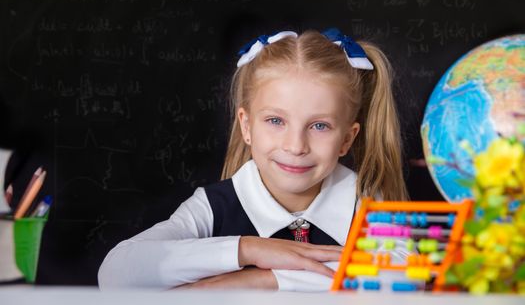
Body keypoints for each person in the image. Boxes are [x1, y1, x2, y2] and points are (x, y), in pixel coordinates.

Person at [97, 28, 409, 291]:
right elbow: (115, 274)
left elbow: (405, 274)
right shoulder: (213, 207)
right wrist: (249, 249)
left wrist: (262, 279)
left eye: (319, 126)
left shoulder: (365, 206)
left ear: (346, 140)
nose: (295, 145)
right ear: (247, 126)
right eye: (276, 121)